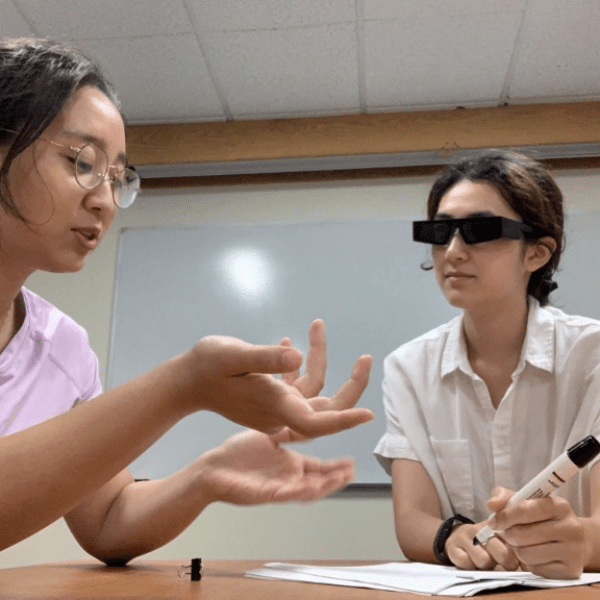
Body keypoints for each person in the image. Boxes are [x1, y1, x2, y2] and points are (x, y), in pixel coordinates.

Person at [0, 37, 374, 564]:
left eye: (117, 178)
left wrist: (205, 475)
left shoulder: (62, 348)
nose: (105, 201)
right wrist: (182, 385)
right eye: (82, 163)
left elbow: (107, 521)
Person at [374, 149, 600, 579]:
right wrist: (451, 537)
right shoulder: (407, 368)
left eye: (480, 230)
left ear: (536, 253)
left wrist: (580, 541)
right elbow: (412, 522)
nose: (453, 251)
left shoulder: (594, 356)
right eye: (440, 232)